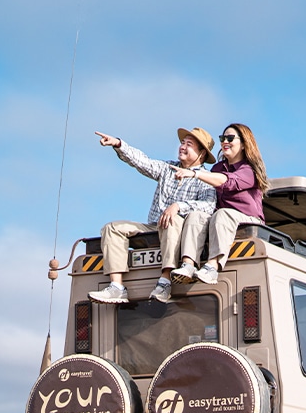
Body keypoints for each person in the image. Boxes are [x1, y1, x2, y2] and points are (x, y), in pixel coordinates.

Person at [86, 128, 217, 304]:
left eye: (189, 145)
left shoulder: (206, 178)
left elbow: (209, 205)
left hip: (180, 231)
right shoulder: (167, 169)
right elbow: (142, 162)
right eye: (182, 143)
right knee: (112, 228)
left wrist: (179, 206)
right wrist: (118, 144)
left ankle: (165, 281)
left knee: (171, 219)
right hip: (155, 226)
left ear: (201, 154)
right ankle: (117, 287)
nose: (182, 147)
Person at [169, 123, 268, 285]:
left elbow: (227, 182)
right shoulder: (218, 167)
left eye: (230, 138)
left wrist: (195, 174)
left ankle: (212, 267)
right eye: (223, 138)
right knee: (197, 215)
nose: (225, 142)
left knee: (222, 214)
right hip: (222, 223)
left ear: (243, 144)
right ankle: (188, 264)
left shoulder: (249, 170)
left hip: (249, 222)